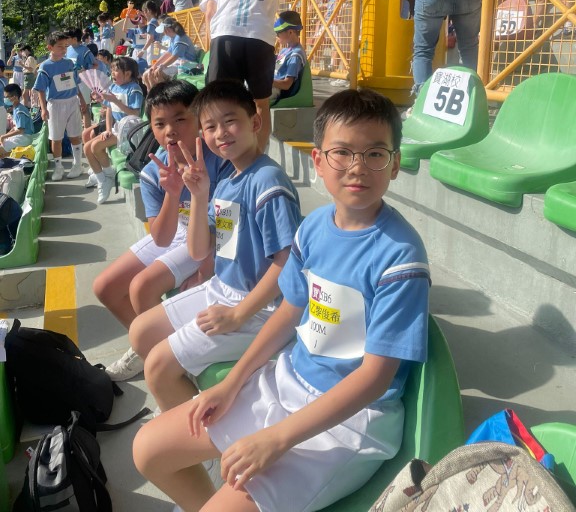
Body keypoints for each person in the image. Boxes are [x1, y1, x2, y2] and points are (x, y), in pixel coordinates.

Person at [133, 88, 429, 512]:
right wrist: (232, 384)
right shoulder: (314, 227)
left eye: (375, 154)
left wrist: (277, 438)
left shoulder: (401, 258)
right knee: (148, 449)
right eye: (342, 153)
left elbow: (374, 379)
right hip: (287, 380)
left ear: (395, 164)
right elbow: (290, 310)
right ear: (318, 161)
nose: (357, 167)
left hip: (348, 423)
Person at [129, 80, 302, 412]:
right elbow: (200, 250)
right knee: (141, 333)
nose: (220, 133)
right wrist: (199, 195)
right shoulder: (227, 181)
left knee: (158, 367)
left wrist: (238, 314)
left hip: (261, 307)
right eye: (210, 126)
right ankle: (186, 403)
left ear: (255, 122)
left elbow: (287, 263)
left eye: (230, 121)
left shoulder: (267, 182)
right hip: (225, 288)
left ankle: (194, 434)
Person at [94, 80, 232, 381]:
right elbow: (162, 237)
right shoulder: (151, 172)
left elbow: (225, 227)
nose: (170, 130)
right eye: (160, 124)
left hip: (210, 237)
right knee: (104, 287)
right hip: (181, 230)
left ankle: (168, 363)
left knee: (141, 287)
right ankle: (148, 348)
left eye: (180, 119)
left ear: (199, 119)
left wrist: (205, 269)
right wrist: (173, 191)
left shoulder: (221, 161)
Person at [201, 0, 278, 149]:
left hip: (225, 33)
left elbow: (210, 13)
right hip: (260, 38)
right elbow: (268, 18)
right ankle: (258, 154)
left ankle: (221, 152)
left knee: (219, 97)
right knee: (261, 102)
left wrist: (210, 48)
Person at [84, 56, 144, 204]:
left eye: (116, 70)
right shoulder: (113, 87)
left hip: (129, 131)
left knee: (95, 146)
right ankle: (103, 178)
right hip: (117, 128)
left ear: (128, 73)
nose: (112, 73)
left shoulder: (134, 89)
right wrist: (108, 129)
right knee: (87, 148)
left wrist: (115, 101)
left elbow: (135, 113)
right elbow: (109, 110)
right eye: (111, 70)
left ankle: (108, 176)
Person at [33, 30, 87, 181]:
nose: (63, 49)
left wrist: (82, 100)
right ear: (50, 47)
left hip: (72, 102)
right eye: (60, 46)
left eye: (65, 46)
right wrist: (43, 109)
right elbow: (41, 90)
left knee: (75, 135)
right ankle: (58, 167)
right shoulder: (45, 67)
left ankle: (78, 164)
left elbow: (75, 83)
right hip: (55, 105)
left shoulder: (70, 63)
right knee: (56, 138)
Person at [142, 16, 201, 89]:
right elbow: (168, 53)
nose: (163, 33)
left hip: (187, 65)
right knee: (147, 74)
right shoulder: (173, 38)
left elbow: (174, 56)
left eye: (163, 31)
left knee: (158, 74)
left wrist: (161, 66)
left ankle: (161, 92)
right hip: (179, 63)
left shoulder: (180, 38)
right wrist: (155, 65)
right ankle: (151, 92)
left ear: (167, 30)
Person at [271, 11, 306, 104]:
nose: (277, 36)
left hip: (278, 91)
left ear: (290, 32)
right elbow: (277, 68)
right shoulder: (285, 50)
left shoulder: (296, 55)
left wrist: (265, 81)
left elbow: (287, 84)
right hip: (272, 86)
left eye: (278, 33)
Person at [0, 83, 34, 155]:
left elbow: (20, 130)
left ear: (15, 97)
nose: (5, 99)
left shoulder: (19, 111)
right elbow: (15, 127)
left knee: (2, 149)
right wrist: (5, 136)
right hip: (20, 136)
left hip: (24, 138)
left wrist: (4, 136)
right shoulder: (16, 108)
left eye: (7, 97)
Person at [137, 0, 161, 66]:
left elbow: (151, 38)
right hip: (157, 47)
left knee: (152, 67)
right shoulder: (156, 21)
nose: (144, 14)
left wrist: (142, 51)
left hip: (153, 48)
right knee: (156, 66)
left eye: (144, 12)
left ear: (149, 11)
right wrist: (147, 35)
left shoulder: (151, 23)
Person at [20, 45, 38, 109]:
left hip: (29, 76)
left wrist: (22, 65)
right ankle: (31, 107)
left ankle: (25, 107)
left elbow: (31, 69)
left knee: (25, 94)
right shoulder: (30, 58)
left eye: (22, 51)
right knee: (31, 93)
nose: (22, 53)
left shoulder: (30, 58)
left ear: (26, 50)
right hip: (29, 76)